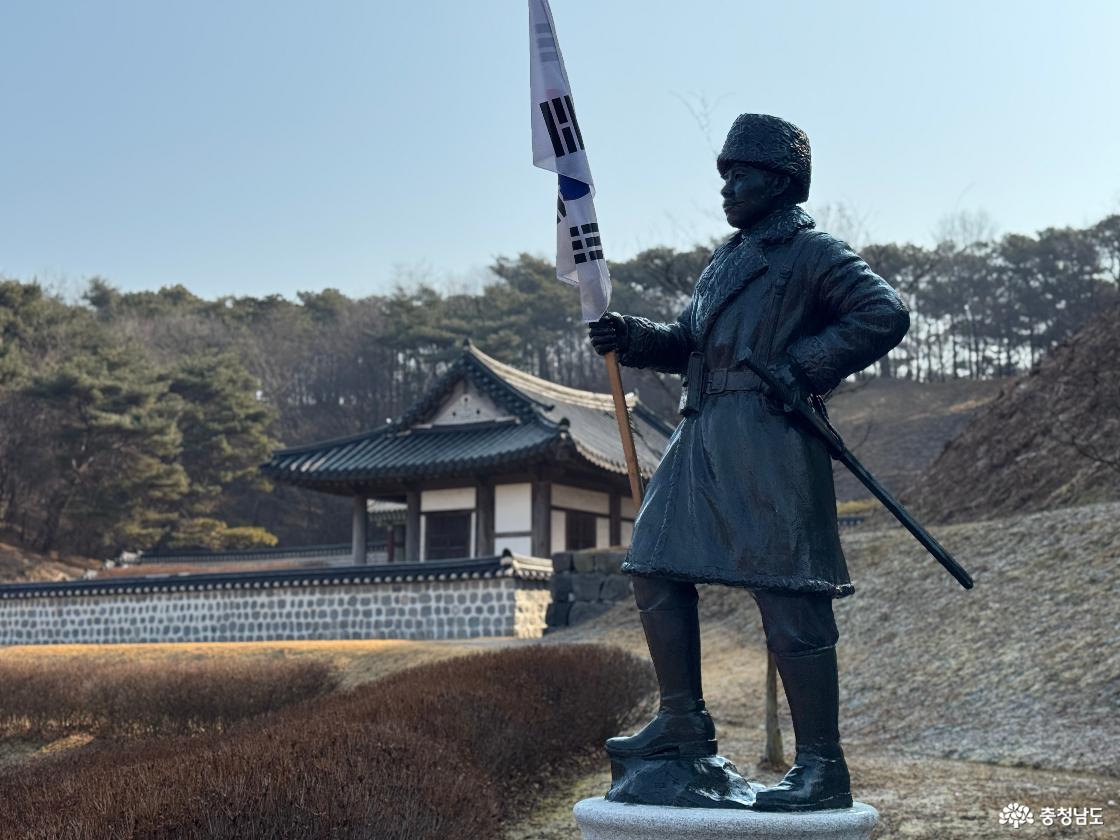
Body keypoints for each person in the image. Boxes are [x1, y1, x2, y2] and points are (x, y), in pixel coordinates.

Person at [588, 113, 910, 812]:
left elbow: (883, 313)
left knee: (789, 594)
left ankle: (822, 765)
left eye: (742, 175)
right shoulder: (726, 257)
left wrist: (804, 365)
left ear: (783, 182)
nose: (728, 188)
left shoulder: (810, 251)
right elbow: (692, 342)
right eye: (724, 175)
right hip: (703, 427)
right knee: (652, 562)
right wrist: (635, 336)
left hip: (767, 436)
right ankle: (683, 723)